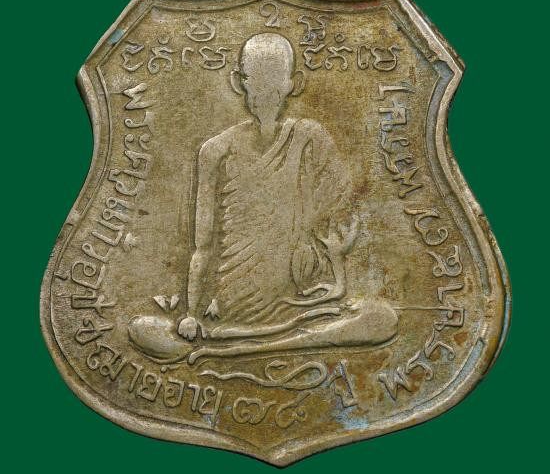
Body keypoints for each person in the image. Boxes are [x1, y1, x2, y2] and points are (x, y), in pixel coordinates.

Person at [129, 32, 397, 364]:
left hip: (303, 297)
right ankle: (262, 340)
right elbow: (203, 243)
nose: (265, 92)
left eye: (271, 81)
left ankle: (234, 343)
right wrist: (192, 313)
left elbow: (338, 221)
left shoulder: (309, 138)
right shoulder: (216, 150)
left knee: (381, 318)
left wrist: (336, 272)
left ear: (293, 84)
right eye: (258, 80)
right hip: (237, 302)